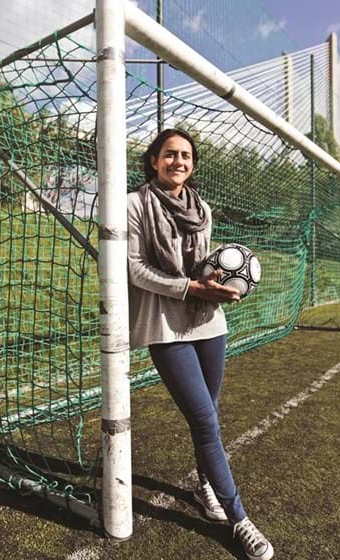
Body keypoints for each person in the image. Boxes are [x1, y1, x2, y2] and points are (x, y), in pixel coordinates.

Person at [126, 128, 274, 560]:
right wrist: (191, 287)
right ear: (154, 160)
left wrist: (221, 286)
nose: (179, 162)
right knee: (206, 422)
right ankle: (239, 520)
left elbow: (208, 265)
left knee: (208, 414)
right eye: (169, 154)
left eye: (186, 156)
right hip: (165, 327)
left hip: (210, 324)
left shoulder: (202, 209)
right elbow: (135, 268)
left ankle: (205, 485)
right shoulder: (135, 205)